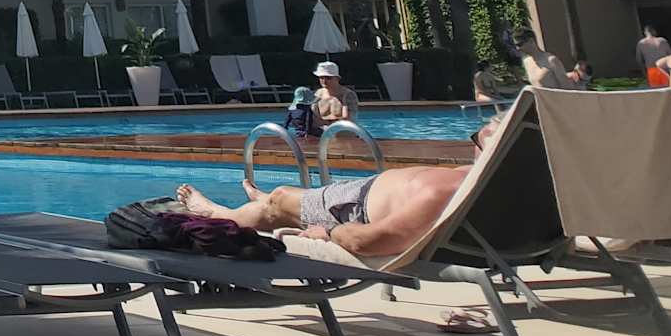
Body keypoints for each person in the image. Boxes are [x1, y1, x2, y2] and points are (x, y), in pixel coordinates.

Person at [175, 115, 503, 259]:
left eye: (477, 138)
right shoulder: (507, 191)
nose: (472, 145)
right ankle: (262, 202)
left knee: (279, 199)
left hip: (354, 209)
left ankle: (219, 213)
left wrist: (330, 234)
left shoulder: (444, 192)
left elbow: (370, 242)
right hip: (364, 194)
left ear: (490, 150)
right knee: (281, 198)